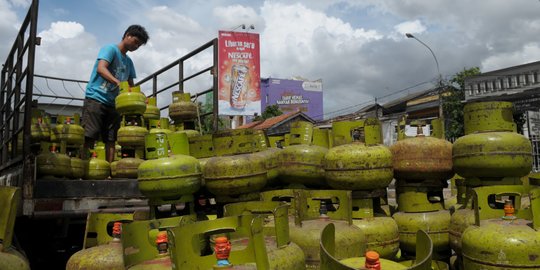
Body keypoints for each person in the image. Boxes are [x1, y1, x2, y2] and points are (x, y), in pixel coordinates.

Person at [81, 25, 149, 162]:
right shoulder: (110, 49)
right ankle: (83, 168)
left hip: (114, 104)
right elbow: (101, 68)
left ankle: (109, 171)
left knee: (111, 139)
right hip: (96, 98)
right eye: (136, 42)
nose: (136, 46)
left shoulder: (129, 62)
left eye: (139, 45)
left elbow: (131, 85)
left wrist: (140, 96)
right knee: (89, 135)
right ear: (127, 35)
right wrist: (117, 82)